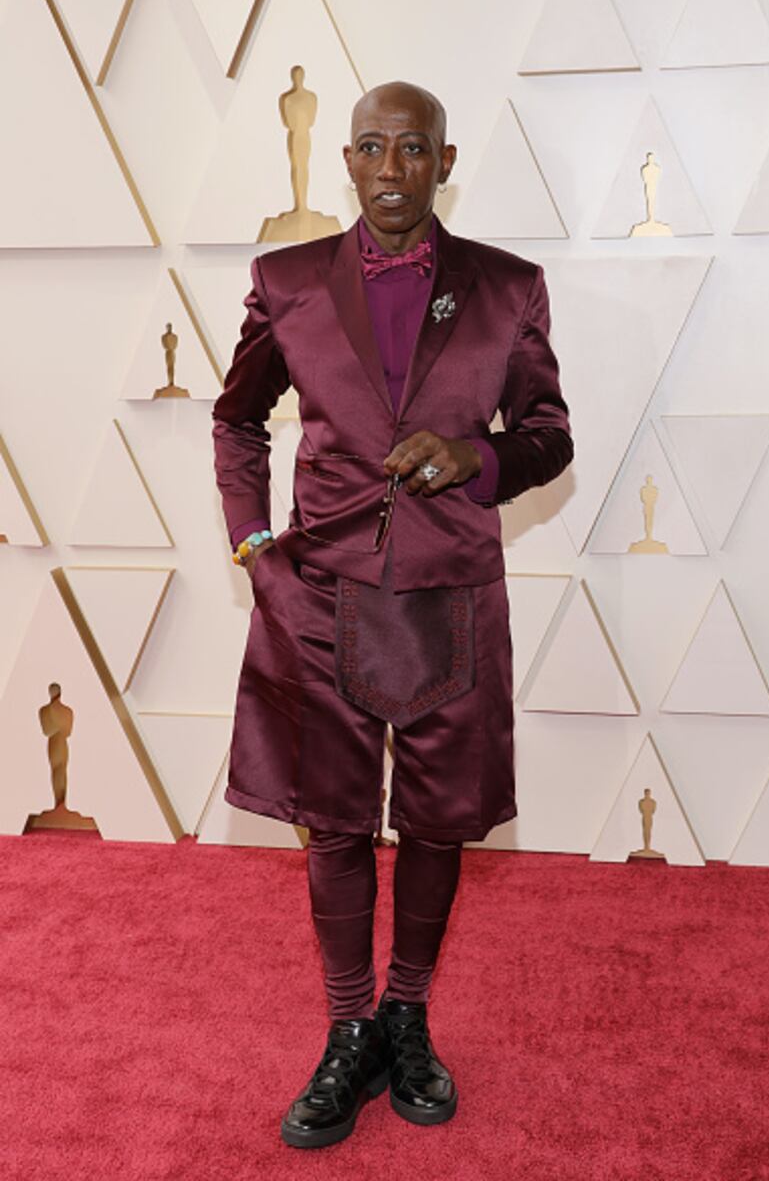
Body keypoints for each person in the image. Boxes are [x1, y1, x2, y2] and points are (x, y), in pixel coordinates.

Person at [211, 80, 573, 1150]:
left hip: (447, 600)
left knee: (434, 820)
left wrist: (477, 457)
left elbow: (549, 434)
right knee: (331, 821)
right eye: (370, 148)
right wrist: (254, 548)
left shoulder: (508, 288)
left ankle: (406, 1016)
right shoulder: (286, 282)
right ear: (347, 162)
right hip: (317, 598)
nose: (389, 170)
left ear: (443, 164)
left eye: (411, 150)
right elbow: (236, 421)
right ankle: (347, 1028)